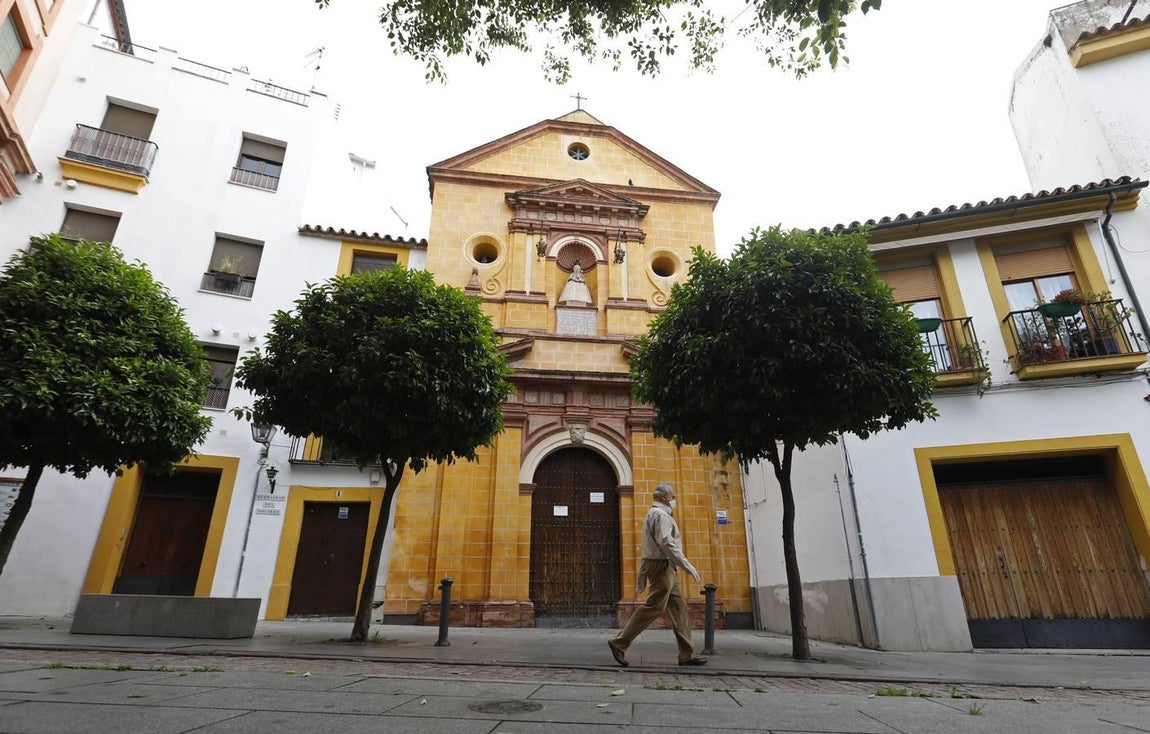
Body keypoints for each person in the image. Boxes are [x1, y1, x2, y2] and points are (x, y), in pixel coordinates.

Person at [608, 482, 707, 667]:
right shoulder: (660, 515)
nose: (674, 499)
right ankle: (619, 642)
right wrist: (687, 566)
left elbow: (649, 548)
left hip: (663, 565)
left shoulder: (654, 514)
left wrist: (643, 573)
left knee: (679, 608)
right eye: (672, 496)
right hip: (662, 565)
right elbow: (666, 543)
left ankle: (687, 654)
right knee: (654, 606)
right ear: (663, 497)